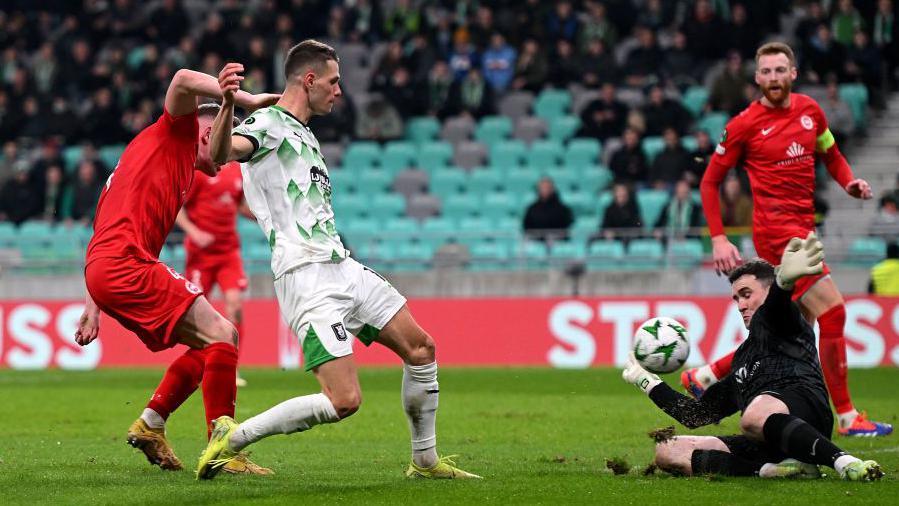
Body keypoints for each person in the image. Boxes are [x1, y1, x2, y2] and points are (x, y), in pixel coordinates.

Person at [199, 40, 479, 480]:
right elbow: (218, 156)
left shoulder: (305, 134)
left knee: (422, 349)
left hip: (341, 266)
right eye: (334, 82)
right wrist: (228, 103)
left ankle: (424, 462)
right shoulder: (267, 124)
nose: (340, 91)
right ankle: (231, 439)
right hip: (305, 276)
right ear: (309, 80)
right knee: (344, 400)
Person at [74, 63, 279, 473]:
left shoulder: (160, 160)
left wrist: (93, 301)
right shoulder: (176, 133)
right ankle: (224, 448)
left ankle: (152, 422)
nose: (224, 162)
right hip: (125, 265)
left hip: (105, 268)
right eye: (223, 147)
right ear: (208, 132)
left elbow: (103, 226)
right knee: (225, 333)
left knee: (211, 343)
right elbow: (183, 79)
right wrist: (239, 98)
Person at [684, 42, 892, 437]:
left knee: (792, 329)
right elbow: (710, 181)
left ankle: (707, 375)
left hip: (804, 229)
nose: (774, 78)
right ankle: (847, 416)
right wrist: (718, 238)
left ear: (793, 73)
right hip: (777, 233)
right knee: (834, 311)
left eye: (781, 70)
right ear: (757, 77)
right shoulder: (744, 124)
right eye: (766, 72)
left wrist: (848, 182)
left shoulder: (811, 112)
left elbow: (831, 153)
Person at [623, 234, 884, 481]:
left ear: (768, 292)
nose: (740, 305)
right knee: (667, 450)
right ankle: (771, 470)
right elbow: (697, 415)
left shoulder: (784, 320)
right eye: (736, 298)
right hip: (764, 437)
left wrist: (783, 283)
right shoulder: (742, 359)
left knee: (752, 415)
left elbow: (776, 307)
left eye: (746, 294)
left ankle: (845, 462)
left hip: (808, 415)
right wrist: (647, 382)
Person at [176, 160, 254, 388]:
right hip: (201, 255)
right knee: (197, 313)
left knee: (235, 305)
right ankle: (201, 364)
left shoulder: (237, 170)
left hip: (228, 251)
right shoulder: (201, 172)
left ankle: (232, 366)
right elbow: (177, 207)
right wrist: (195, 232)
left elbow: (239, 204)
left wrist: (267, 218)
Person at [522, 177, 574, 243]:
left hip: (559, 242)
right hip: (537, 242)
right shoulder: (531, 209)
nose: (545, 190)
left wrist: (554, 237)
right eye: (542, 188)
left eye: (547, 187)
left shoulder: (563, 209)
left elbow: (567, 227)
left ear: (552, 188)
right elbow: (526, 228)